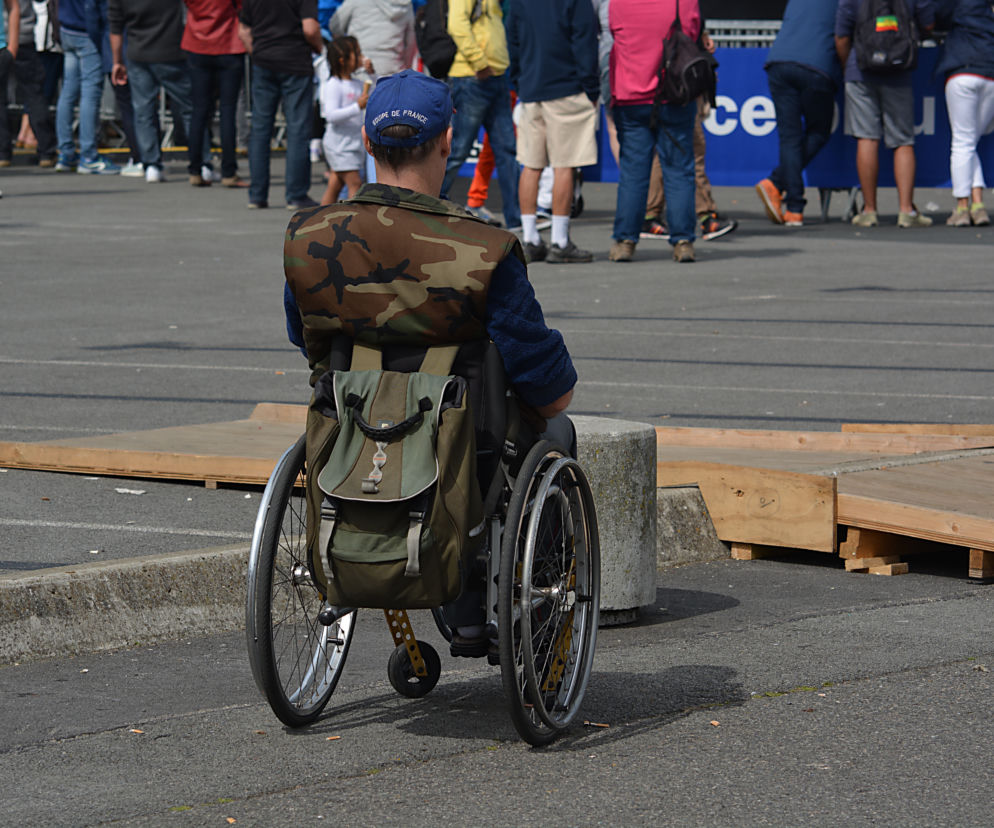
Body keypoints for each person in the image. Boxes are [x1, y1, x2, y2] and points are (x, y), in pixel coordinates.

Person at [282, 69, 576, 656]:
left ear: (366, 143)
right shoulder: (484, 248)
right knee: (557, 431)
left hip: (347, 428)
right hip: (461, 442)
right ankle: (511, 627)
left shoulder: (307, 236)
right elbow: (549, 391)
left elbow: (305, 337)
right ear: (447, 141)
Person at [608, 0, 705, 264]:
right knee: (679, 170)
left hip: (631, 95)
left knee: (633, 173)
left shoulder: (618, 3)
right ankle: (683, 241)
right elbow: (692, 33)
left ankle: (625, 241)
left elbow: (614, 33)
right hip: (673, 94)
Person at [506, 0, 600, 263]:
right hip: (567, 88)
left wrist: (519, 81)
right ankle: (559, 241)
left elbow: (512, 39)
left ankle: (530, 238)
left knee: (530, 164)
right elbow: (585, 42)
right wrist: (591, 88)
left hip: (531, 87)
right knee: (565, 165)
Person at [835, 0, 934, 228]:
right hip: (898, 71)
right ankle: (906, 211)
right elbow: (928, 23)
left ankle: (869, 211)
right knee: (903, 141)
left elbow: (841, 36)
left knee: (867, 138)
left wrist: (847, 67)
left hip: (860, 70)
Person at [755, 0, 841, 227]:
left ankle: (792, 205)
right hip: (817, 66)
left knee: (790, 138)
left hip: (779, 62)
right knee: (818, 132)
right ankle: (781, 190)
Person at [109, 0, 213, 184]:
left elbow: (116, 27)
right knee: (190, 109)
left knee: (144, 110)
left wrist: (117, 61)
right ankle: (202, 161)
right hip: (172, 51)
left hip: (138, 52)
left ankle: (152, 164)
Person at [439, 0, 521, 234]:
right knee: (456, 152)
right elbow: (456, 25)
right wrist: (479, 61)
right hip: (474, 77)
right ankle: (424, 212)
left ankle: (516, 220)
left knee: (506, 151)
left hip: (493, 77)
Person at [238, 0, 323, 209]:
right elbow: (310, 28)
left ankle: (257, 194)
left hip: (264, 60)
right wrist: (322, 49)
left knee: (260, 128)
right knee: (297, 129)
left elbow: (243, 30)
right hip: (295, 60)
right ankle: (296, 194)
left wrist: (256, 53)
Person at [933, 0, 994, 227]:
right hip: (990, 74)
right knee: (970, 142)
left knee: (962, 142)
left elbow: (932, 16)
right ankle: (978, 206)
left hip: (962, 72)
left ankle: (961, 207)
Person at [182, 0, 248, 188]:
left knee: (199, 110)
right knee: (228, 109)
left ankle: (195, 169)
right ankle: (228, 171)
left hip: (198, 42)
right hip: (228, 43)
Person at [55, 0, 121, 173]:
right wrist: (99, 37)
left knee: (68, 91)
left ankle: (66, 152)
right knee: (90, 93)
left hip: (67, 27)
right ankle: (88, 155)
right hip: (86, 31)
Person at [0, 0, 57, 168]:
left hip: (12, 39)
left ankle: (4, 153)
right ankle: (46, 150)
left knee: (31, 95)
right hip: (18, 38)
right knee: (34, 94)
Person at [318, 37, 371, 204]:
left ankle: (318, 220)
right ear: (342, 61)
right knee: (354, 183)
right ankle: (353, 223)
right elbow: (331, 115)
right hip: (339, 145)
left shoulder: (357, 83)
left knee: (336, 183)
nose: (361, 57)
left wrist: (371, 73)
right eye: (357, 54)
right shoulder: (334, 84)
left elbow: (374, 89)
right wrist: (357, 107)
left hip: (352, 143)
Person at [328, 0, 416, 77]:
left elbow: (335, 26)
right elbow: (411, 44)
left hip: (360, 70)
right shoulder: (406, 4)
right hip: (394, 71)